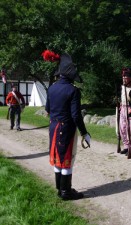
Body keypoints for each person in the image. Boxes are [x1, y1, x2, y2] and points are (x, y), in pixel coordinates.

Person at [44, 50, 91, 200]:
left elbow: (48, 109)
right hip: (66, 128)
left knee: (58, 159)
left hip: (53, 127)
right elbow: (76, 115)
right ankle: (66, 192)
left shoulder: (51, 88)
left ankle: (60, 189)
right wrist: (84, 133)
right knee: (68, 160)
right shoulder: (73, 90)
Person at [119, 68, 131, 156]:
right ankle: (126, 146)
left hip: (129, 109)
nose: (124, 79)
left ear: (129, 78)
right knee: (122, 128)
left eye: (126, 78)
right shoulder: (122, 87)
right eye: (123, 78)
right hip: (122, 108)